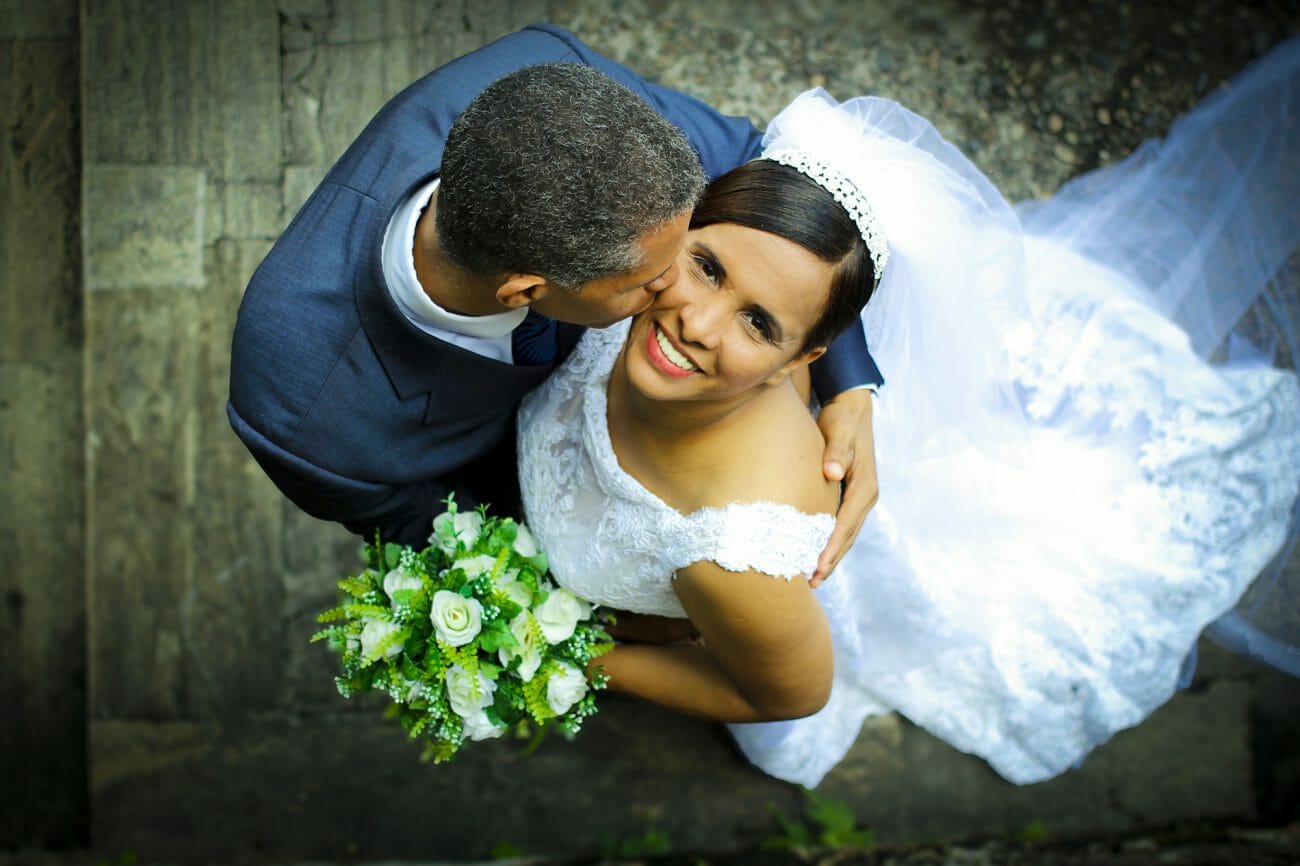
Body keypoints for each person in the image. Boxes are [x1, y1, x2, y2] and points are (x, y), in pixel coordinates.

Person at [517, 37, 1300, 787]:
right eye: (706, 266)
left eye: (760, 323)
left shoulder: (726, 552)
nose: (697, 323)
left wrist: (561, 650)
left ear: (801, 362)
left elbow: (789, 696)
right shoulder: (626, 281)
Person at [226, 24, 882, 584]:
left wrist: (848, 386)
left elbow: (755, 168)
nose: (680, 296)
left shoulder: (562, 92)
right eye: (649, 279)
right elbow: (429, 528)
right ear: (528, 294)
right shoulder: (302, 422)